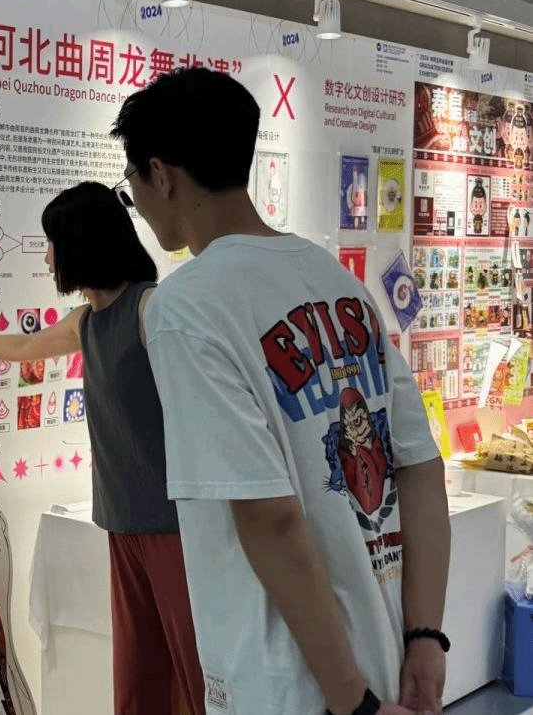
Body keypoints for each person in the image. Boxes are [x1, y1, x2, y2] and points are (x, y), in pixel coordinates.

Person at [109, 67, 451, 715]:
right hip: (378, 648)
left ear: (160, 174)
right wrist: (425, 638)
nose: (140, 204)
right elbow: (420, 467)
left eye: (132, 184)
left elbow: (269, 515)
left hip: (288, 679)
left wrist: (350, 701)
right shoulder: (335, 280)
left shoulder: (185, 305)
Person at [0, 180, 204, 715]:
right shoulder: (87, 321)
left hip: (175, 524)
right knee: (138, 674)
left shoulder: (150, 309)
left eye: (52, 243)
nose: (47, 257)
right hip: (122, 522)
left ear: (80, 243)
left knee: (194, 673)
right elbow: (24, 347)